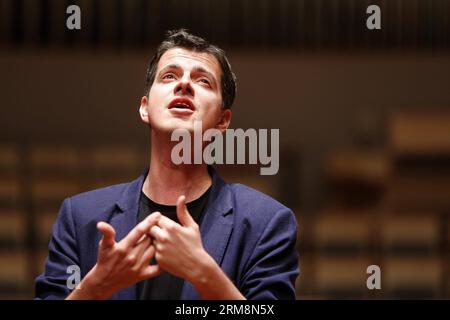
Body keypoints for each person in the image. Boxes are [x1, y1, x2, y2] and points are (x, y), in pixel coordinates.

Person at [35, 29, 299, 300]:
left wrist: (204, 273)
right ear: (145, 108)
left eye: (203, 81)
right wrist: (94, 287)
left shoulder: (265, 222)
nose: (184, 84)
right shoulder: (80, 217)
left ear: (222, 121)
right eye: (169, 76)